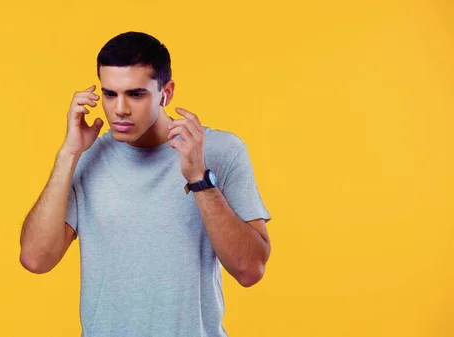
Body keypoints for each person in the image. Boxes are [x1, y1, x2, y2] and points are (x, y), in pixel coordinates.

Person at [19, 31, 272, 337]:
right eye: (110, 94)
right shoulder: (87, 157)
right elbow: (35, 259)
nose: (120, 109)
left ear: (166, 93)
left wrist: (199, 178)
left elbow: (250, 270)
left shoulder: (220, 151)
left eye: (136, 94)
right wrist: (68, 154)